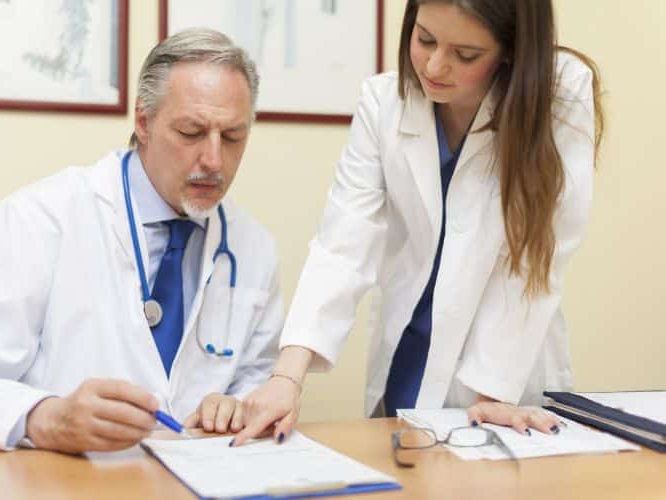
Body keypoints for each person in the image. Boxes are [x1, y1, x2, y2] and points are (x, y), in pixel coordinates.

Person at [233, 0, 604, 446]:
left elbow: (539, 253)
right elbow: (343, 245)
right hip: (411, 353)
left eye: (466, 55)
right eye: (424, 38)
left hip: (506, 367)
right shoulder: (383, 103)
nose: (434, 65)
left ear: (511, 51)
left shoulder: (560, 96)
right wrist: (286, 378)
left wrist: (493, 393)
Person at [0, 28, 283, 453]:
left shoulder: (253, 247)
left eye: (233, 137)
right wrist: (44, 417)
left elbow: (259, 378)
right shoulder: (40, 218)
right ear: (143, 122)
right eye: (191, 132)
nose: (214, 160)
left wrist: (238, 406)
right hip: (62, 481)